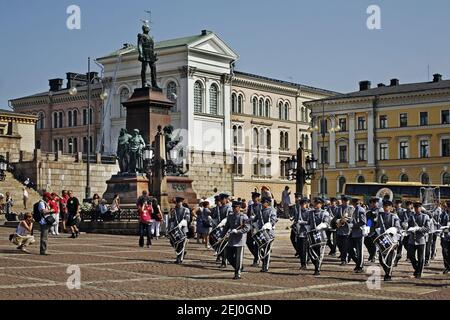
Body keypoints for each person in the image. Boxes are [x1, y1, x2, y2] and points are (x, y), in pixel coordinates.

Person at [221, 201, 251, 280]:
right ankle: (239, 267)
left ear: (239, 208)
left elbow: (247, 228)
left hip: (240, 241)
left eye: (237, 207)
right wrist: (222, 235)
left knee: (238, 258)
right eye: (234, 207)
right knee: (229, 256)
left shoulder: (244, 217)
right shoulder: (230, 216)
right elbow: (226, 227)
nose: (235, 209)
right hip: (231, 240)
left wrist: (238, 231)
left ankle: (237, 273)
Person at [375, 200, 401, 281]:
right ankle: (387, 270)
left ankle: (388, 275)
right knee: (381, 259)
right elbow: (376, 225)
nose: (385, 208)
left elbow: (398, 227)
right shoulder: (380, 215)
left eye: (387, 206)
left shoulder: (394, 216)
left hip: (392, 240)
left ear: (391, 207)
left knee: (389, 258)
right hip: (383, 240)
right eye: (384, 206)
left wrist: (391, 231)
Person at [407, 202, 431, 279]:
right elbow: (408, 226)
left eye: (418, 207)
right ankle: (417, 268)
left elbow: (427, 228)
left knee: (421, 257)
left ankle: (418, 273)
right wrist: (409, 228)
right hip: (412, 239)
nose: (417, 209)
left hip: (421, 239)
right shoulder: (411, 216)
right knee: (410, 255)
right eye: (415, 207)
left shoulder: (425, 217)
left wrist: (419, 229)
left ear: (421, 208)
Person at [307, 198, 330, 276]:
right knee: (311, 251)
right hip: (312, 235)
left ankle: (317, 268)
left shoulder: (325, 213)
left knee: (320, 253)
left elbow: (327, 223)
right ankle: (316, 264)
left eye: (317, 203)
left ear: (321, 204)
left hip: (321, 235)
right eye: (315, 203)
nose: (316, 205)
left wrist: (321, 225)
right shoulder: (310, 213)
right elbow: (308, 223)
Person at [256, 196, 278, 273]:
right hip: (261, 233)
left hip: (269, 232)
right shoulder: (260, 211)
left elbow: (273, 220)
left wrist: (269, 224)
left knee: (267, 249)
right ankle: (263, 263)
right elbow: (256, 218)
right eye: (262, 202)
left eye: (263, 202)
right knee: (261, 249)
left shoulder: (272, 210)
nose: (262, 204)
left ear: (267, 202)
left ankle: (266, 266)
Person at [169, 197, 191, 264]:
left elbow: (188, 219)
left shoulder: (186, 210)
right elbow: (172, 219)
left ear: (181, 202)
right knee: (172, 242)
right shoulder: (174, 210)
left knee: (181, 243)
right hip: (175, 230)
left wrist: (182, 223)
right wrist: (170, 226)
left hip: (183, 229)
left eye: (179, 202)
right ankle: (182, 252)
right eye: (177, 202)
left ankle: (179, 259)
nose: (178, 204)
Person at [348, 198, 367, 273]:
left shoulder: (360, 210)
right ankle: (357, 262)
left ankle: (360, 266)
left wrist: (353, 225)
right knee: (349, 248)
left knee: (360, 251)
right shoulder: (354, 209)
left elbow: (363, 222)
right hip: (353, 232)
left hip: (359, 232)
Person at [335, 195, 354, 265]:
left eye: (346, 201)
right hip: (339, 229)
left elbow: (352, 218)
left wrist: (346, 219)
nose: (345, 202)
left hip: (347, 230)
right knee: (339, 244)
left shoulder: (351, 208)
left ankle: (343, 260)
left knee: (345, 246)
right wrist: (338, 221)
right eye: (344, 201)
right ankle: (348, 254)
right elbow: (336, 217)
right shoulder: (339, 208)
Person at [216, 193, 233, 268]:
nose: (221, 201)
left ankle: (225, 261)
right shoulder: (220, 208)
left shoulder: (229, 208)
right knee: (221, 245)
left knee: (225, 245)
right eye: (220, 199)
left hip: (227, 229)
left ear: (226, 199)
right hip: (220, 229)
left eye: (222, 199)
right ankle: (223, 260)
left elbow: (230, 219)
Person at [294, 196, 311, 270]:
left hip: (306, 232)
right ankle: (303, 261)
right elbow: (296, 220)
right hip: (299, 232)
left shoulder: (309, 212)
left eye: (303, 204)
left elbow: (310, 222)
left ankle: (303, 264)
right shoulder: (299, 212)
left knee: (304, 249)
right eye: (301, 204)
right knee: (300, 249)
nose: (302, 206)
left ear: (306, 204)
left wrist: (302, 222)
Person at [247, 192, 262, 267]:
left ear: (258, 198)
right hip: (251, 226)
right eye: (253, 197)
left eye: (255, 197)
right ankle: (258, 255)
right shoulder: (250, 206)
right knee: (248, 242)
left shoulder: (261, 206)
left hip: (258, 227)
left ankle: (256, 259)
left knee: (256, 243)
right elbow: (248, 215)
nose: (254, 199)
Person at [364, 198, 380, 263]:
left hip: (377, 229)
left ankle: (373, 256)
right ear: (370, 204)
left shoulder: (380, 210)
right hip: (369, 229)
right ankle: (371, 254)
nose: (374, 204)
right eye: (373, 202)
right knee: (367, 242)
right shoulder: (368, 211)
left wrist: (376, 216)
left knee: (374, 243)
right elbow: (368, 220)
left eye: (375, 202)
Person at [440, 201, 450, 274]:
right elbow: (441, 223)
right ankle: (447, 267)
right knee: (445, 251)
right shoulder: (444, 214)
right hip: (445, 236)